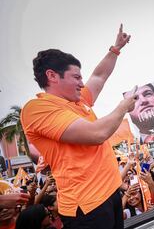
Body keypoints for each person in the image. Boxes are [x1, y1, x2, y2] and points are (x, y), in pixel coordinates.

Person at [20, 24, 132, 229]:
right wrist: (123, 107)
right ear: (52, 76)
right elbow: (98, 133)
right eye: (76, 77)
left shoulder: (78, 101)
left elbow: (99, 76)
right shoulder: (37, 109)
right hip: (88, 208)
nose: (82, 83)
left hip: (110, 194)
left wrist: (115, 49)